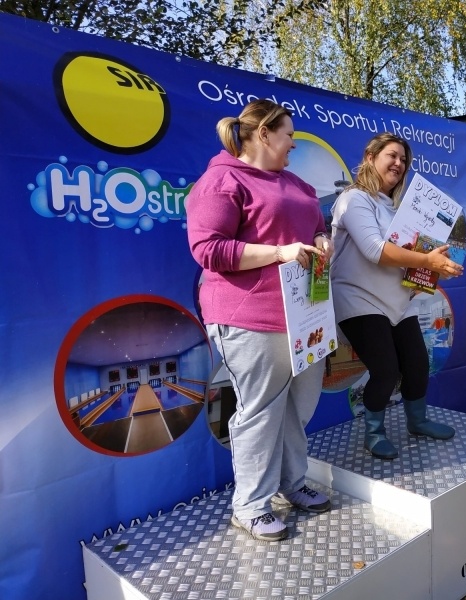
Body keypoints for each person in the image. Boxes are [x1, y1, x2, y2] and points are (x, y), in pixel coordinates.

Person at [186, 99, 334, 542]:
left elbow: (316, 225)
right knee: (261, 409)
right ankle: (250, 505)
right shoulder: (221, 179)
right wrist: (280, 252)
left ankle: (292, 483)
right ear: (264, 134)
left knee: (297, 407)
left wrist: (321, 239)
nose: (293, 142)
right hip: (249, 314)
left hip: (304, 313)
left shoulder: (297, 184)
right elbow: (208, 249)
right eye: (288, 134)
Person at [330, 133, 463, 459]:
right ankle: (374, 433)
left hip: (398, 301)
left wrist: (435, 269)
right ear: (370, 156)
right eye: (392, 155)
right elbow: (375, 250)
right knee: (386, 369)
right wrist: (426, 260)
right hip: (357, 298)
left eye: (404, 160)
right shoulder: (354, 199)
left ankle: (417, 421)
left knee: (418, 363)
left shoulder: (397, 209)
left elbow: (409, 259)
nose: (399, 164)